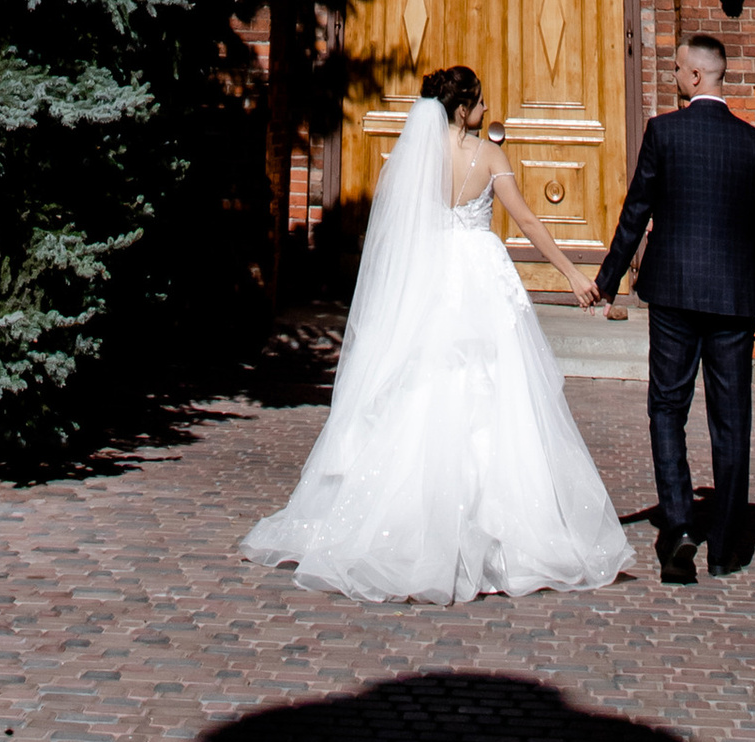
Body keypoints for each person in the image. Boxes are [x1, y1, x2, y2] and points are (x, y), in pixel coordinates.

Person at [240, 64, 634, 600]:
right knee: (494, 392)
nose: (486, 111)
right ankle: (497, 534)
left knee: (420, 385)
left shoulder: (415, 156)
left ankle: (406, 522)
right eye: (479, 103)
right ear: (462, 109)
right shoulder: (488, 155)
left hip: (429, 276)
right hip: (478, 274)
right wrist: (570, 272)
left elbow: (400, 225)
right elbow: (527, 221)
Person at [586, 28, 755, 582]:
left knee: (667, 408)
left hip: (673, 292)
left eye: (675, 70)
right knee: (731, 417)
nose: (672, 78)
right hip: (735, 300)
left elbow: (636, 212)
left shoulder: (663, 133)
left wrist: (608, 279)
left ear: (696, 76)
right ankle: (726, 547)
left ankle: (677, 531)